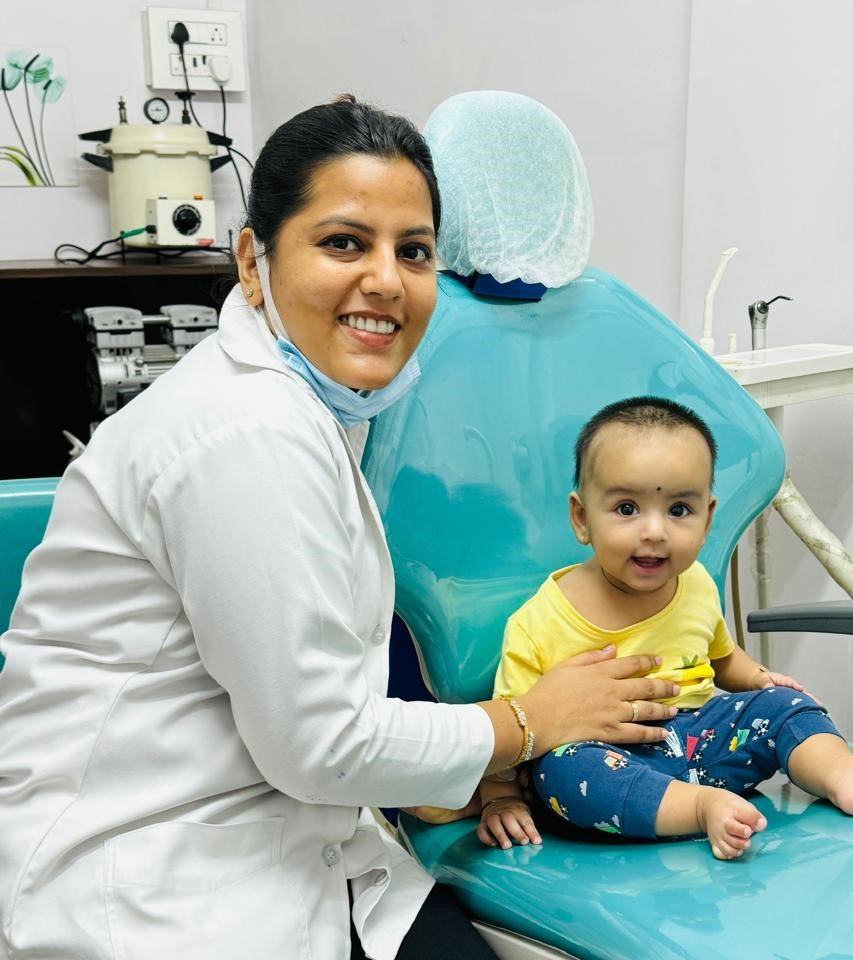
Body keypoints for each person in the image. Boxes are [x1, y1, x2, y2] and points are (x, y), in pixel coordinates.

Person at [0, 99, 680, 960]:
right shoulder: (242, 431)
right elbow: (320, 743)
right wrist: (529, 720)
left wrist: (454, 766)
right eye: (344, 243)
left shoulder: (316, 408)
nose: (387, 280)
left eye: (414, 251)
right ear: (253, 261)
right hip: (153, 887)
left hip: (298, 834)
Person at [478, 395, 853, 861]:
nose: (655, 531)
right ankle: (700, 809)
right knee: (561, 769)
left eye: (679, 510)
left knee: (784, 704)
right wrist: (500, 798)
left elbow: (722, 658)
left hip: (703, 739)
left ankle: (845, 774)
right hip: (609, 759)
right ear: (582, 518)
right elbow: (515, 727)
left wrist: (758, 679)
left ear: (707, 518)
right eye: (626, 508)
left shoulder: (697, 584)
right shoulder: (540, 622)